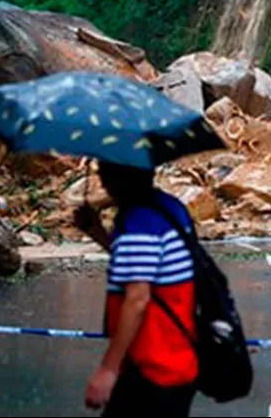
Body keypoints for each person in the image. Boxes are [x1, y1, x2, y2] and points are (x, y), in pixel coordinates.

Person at [74, 162, 198, 417]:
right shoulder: (169, 208)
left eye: (106, 170)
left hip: (153, 365)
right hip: (178, 356)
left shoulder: (138, 219)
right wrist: (96, 231)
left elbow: (138, 298)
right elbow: (145, 266)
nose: (102, 178)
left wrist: (109, 368)